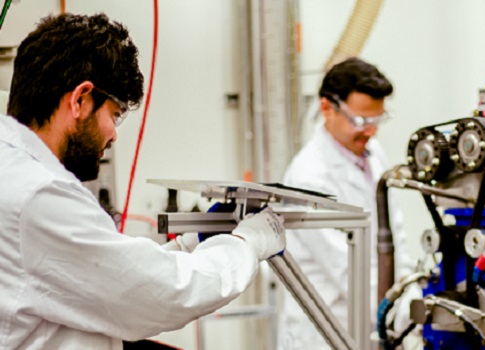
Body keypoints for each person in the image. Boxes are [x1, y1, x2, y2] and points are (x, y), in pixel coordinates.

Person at [0, 13, 286, 349]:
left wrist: (190, 244)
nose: (113, 136)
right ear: (80, 99)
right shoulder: (41, 194)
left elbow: (99, 276)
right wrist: (247, 245)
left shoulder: (14, 169)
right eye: (115, 115)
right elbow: (160, 294)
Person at [278, 58, 413, 349]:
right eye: (361, 121)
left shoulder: (372, 153)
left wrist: (412, 290)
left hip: (370, 324)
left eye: (377, 120)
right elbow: (349, 272)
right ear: (327, 108)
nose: (371, 132)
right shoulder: (309, 177)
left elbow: (394, 236)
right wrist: (414, 318)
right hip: (327, 332)